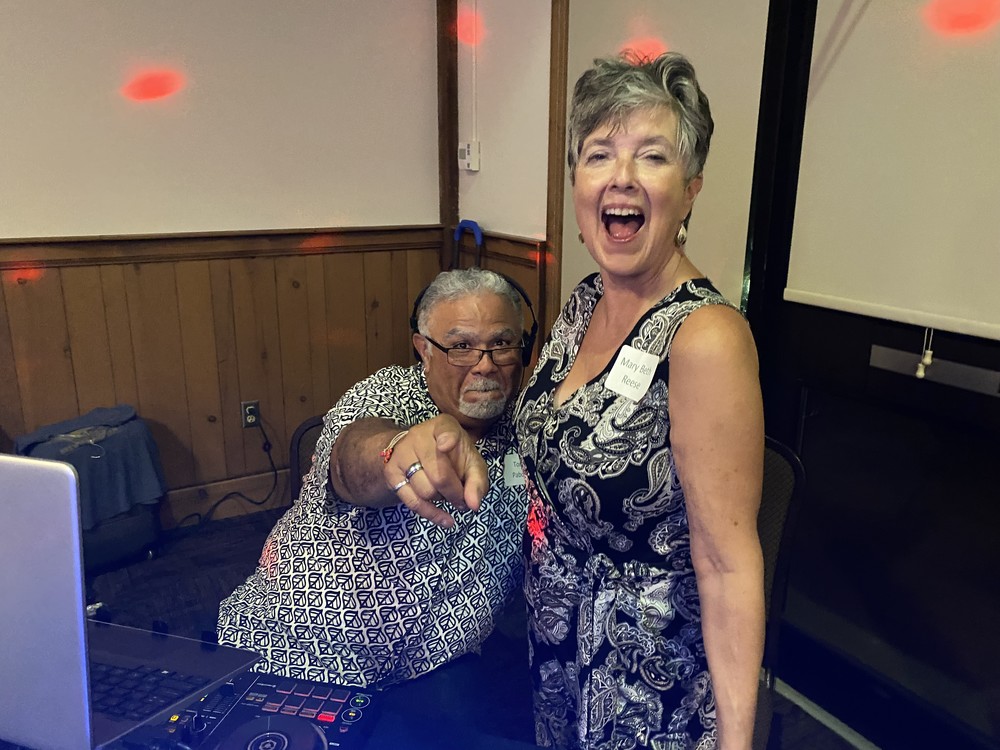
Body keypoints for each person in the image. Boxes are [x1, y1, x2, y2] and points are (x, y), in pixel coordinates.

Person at [514, 52, 765, 749]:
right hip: (557, 656)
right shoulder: (584, 303)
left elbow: (728, 566)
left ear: (690, 191)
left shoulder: (705, 337)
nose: (620, 176)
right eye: (599, 154)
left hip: (649, 690)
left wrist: (736, 743)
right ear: (577, 183)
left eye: (651, 156)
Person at [217, 267, 531, 689]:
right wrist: (397, 450)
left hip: (435, 670)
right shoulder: (385, 394)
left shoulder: (531, 427)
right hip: (296, 654)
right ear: (424, 350)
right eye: (461, 347)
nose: (485, 365)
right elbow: (351, 461)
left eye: (502, 344)